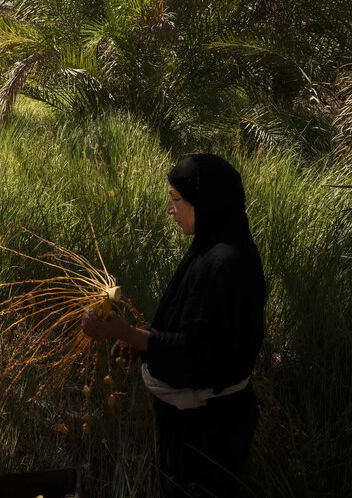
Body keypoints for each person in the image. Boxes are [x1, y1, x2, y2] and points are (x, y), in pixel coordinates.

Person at [81, 153, 266, 497]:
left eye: (177, 199)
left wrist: (123, 331)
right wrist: (144, 340)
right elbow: (194, 328)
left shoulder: (225, 264)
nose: (171, 209)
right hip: (194, 423)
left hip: (209, 432)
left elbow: (197, 353)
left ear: (206, 202)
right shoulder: (211, 248)